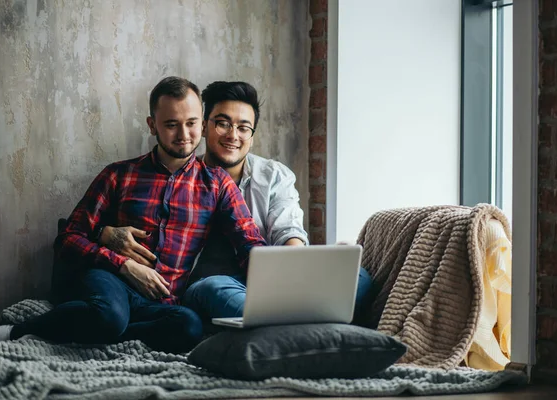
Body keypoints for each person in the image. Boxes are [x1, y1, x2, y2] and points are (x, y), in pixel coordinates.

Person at [0, 77, 266, 352]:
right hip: (111, 280)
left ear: (203, 124)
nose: (183, 134)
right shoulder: (120, 174)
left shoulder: (217, 184)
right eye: (171, 124)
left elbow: (248, 241)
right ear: (152, 125)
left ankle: (103, 327)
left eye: (191, 123)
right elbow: (68, 238)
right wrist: (123, 265)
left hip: (162, 301)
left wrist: (275, 282)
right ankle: (16, 331)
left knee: (189, 327)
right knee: (109, 313)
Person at [97, 81, 373, 324]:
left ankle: (286, 320)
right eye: (223, 123)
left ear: (252, 137)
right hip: (216, 285)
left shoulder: (273, 176)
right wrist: (104, 233)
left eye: (243, 127)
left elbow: (288, 231)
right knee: (214, 290)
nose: (233, 135)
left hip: (271, 280)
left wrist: (296, 272)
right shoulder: (178, 178)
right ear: (204, 126)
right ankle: (300, 323)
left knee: (356, 277)